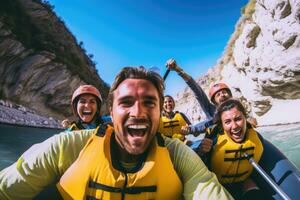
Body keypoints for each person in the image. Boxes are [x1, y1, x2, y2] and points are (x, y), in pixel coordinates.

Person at [0, 66, 233, 200]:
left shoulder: (179, 156)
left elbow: (207, 188)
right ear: (110, 111)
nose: (138, 111)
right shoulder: (64, 145)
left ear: (160, 111)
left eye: (150, 103)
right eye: (126, 102)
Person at [197, 99, 264, 199]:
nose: (234, 126)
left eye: (238, 119)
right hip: (219, 184)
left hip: (244, 182)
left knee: (251, 186)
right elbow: (200, 167)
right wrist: (201, 151)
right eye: (227, 122)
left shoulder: (256, 138)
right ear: (222, 125)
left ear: (245, 118)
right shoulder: (213, 139)